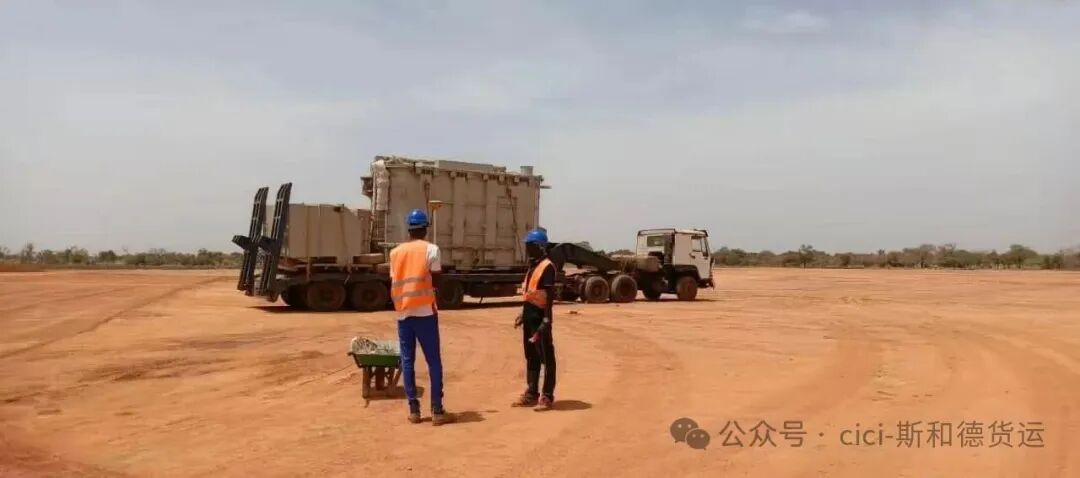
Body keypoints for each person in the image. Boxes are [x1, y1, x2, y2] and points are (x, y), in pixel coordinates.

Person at [390, 208, 452, 426]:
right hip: (425, 311)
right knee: (433, 361)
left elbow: (395, 278)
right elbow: (436, 280)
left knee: (408, 361)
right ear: (425, 228)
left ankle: (414, 410)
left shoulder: (395, 252)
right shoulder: (432, 250)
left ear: (408, 229)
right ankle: (437, 409)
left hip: (403, 313)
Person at [512, 227, 558, 410]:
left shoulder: (547, 267)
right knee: (531, 356)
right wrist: (523, 314)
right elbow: (531, 294)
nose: (527, 249)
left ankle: (547, 395)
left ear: (539, 246)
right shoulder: (533, 266)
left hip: (541, 318)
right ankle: (532, 392)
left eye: (530, 245)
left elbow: (549, 295)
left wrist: (546, 320)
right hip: (530, 316)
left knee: (546, 357)